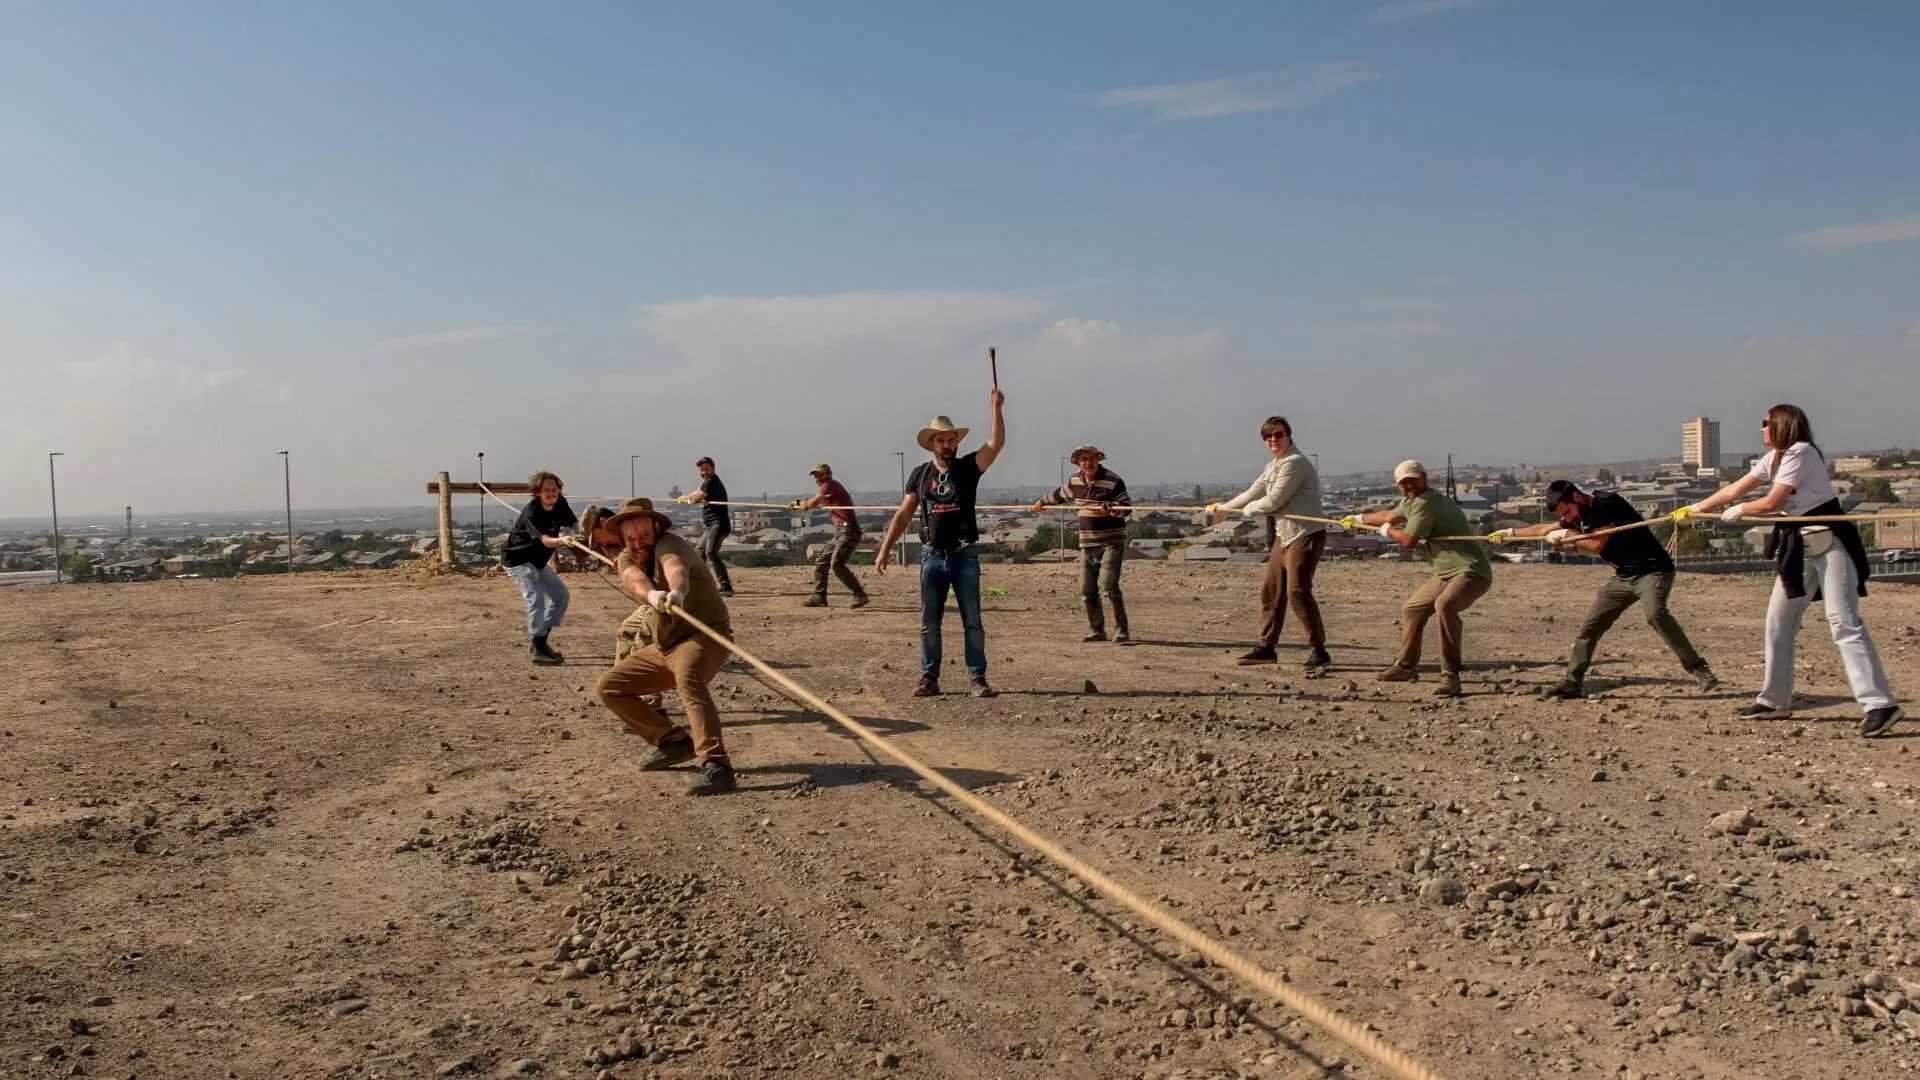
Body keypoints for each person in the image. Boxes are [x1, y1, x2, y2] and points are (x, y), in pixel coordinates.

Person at [1675, 404, 1902, 737]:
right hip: (1800, 547)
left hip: (1831, 543)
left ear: (1782, 425)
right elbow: (1733, 489)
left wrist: (1741, 510)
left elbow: (1773, 502)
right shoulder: (1775, 458)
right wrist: (1695, 508)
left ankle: (1881, 705)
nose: (1762, 429)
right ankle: (1774, 701)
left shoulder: (1800, 452)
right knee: (1778, 622)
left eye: (1766, 423)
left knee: (1843, 623)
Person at [1493, 480, 1717, 698]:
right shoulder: (1577, 514)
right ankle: (1572, 684)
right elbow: (1543, 529)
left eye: (1568, 512)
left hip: (1652, 571)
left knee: (1655, 614)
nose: (1567, 518)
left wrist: (1568, 536)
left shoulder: (1607, 504)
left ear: (1577, 497)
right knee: (1590, 628)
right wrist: (1510, 533)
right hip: (1623, 577)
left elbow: (1597, 544)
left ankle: (1699, 670)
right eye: (1564, 516)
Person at [593, 498, 739, 795]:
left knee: (689, 678)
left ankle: (717, 766)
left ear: (656, 528)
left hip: (705, 634)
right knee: (610, 688)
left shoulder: (671, 544)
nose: (638, 543)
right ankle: (673, 741)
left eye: (644, 535)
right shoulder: (625, 557)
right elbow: (633, 580)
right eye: (630, 538)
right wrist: (652, 596)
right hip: (666, 644)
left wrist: (676, 593)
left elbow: (676, 570)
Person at [876, 388, 1007, 698]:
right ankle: (929, 677)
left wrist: (996, 408)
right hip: (932, 556)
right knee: (929, 621)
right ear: (931, 444)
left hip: (964, 554)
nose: (947, 445)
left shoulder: (967, 468)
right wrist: (885, 547)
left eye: (951, 440)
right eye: (941, 440)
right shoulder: (921, 475)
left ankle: (977, 678)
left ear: (955, 443)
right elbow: (904, 513)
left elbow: (996, 444)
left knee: (972, 620)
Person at [1344, 460, 1494, 698]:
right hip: (1446, 572)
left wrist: (1387, 532)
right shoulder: (1412, 502)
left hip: (1471, 571)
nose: (1409, 486)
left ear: (1424, 478)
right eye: (1404, 483)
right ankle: (1406, 667)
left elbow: (1408, 540)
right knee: (1413, 608)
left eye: (1413, 480)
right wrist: (1358, 518)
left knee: (1444, 605)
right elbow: (1389, 515)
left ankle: (1451, 675)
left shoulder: (1426, 502)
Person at [1209, 416, 1331, 670]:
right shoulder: (1274, 465)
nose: (1274, 440)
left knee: (1297, 592)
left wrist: (1248, 511)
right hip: (1285, 534)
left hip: (1305, 533)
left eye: (1278, 435)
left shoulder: (1294, 463)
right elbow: (1253, 491)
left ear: (1289, 436)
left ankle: (1319, 650)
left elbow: (1273, 501)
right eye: (1268, 436)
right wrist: (1224, 507)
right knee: (1272, 590)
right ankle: (1267, 647)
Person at [1034, 444, 1133, 643]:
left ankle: (1122, 630)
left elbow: (1127, 508)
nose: (1088, 463)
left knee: (1109, 585)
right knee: (1086, 589)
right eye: (1083, 460)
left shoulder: (1113, 481)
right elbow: (1058, 496)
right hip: (1087, 543)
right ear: (1078, 463)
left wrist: (1112, 510)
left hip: (1111, 542)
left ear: (1098, 459)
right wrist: (1042, 502)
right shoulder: (1075, 481)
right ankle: (1097, 629)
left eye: (1091, 459)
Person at [501, 470, 578, 666]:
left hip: (537, 562)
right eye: (547, 490)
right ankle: (538, 647)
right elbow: (546, 541)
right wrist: (562, 540)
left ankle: (540, 640)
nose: (552, 493)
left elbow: (573, 523)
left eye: (555, 489)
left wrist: (575, 535)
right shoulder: (532, 511)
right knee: (535, 596)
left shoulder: (560, 503)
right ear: (537, 492)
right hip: (518, 560)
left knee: (561, 596)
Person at [790, 463, 869, 609]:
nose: (818, 478)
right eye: (815, 476)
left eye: (820, 474)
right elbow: (816, 504)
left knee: (837, 564)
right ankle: (819, 597)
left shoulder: (829, 485)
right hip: (840, 532)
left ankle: (860, 595)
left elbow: (811, 504)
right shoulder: (828, 490)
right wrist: (804, 504)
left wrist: (798, 503)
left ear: (828, 474)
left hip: (848, 531)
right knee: (821, 562)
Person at [677, 456, 735, 597]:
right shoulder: (709, 482)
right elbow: (697, 493)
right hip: (711, 526)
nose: (704, 472)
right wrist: (685, 497)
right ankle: (696, 584)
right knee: (699, 553)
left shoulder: (710, 482)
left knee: (711, 553)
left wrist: (688, 500)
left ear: (713, 468)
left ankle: (725, 586)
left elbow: (697, 498)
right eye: (702, 470)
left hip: (718, 524)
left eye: (706, 469)